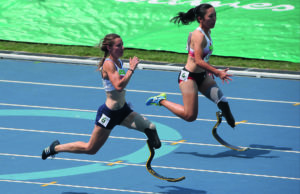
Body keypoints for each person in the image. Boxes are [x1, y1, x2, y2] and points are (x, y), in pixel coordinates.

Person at [42, 33, 161, 160]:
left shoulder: (119, 63)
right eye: (118, 45)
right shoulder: (108, 64)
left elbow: (121, 79)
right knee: (91, 149)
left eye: (123, 45)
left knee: (151, 128)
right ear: (109, 48)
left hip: (123, 111)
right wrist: (131, 69)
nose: (122, 48)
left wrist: (127, 71)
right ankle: (55, 148)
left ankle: (152, 141)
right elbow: (118, 86)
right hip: (108, 114)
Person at [146, 4, 236, 128]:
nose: (214, 19)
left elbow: (204, 59)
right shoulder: (198, 35)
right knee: (190, 116)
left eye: (215, 15)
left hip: (202, 76)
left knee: (223, 102)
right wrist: (217, 72)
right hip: (189, 78)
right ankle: (161, 100)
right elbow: (198, 61)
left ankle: (229, 121)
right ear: (200, 19)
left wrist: (213, 69)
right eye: (210, 16)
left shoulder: (208, 32)